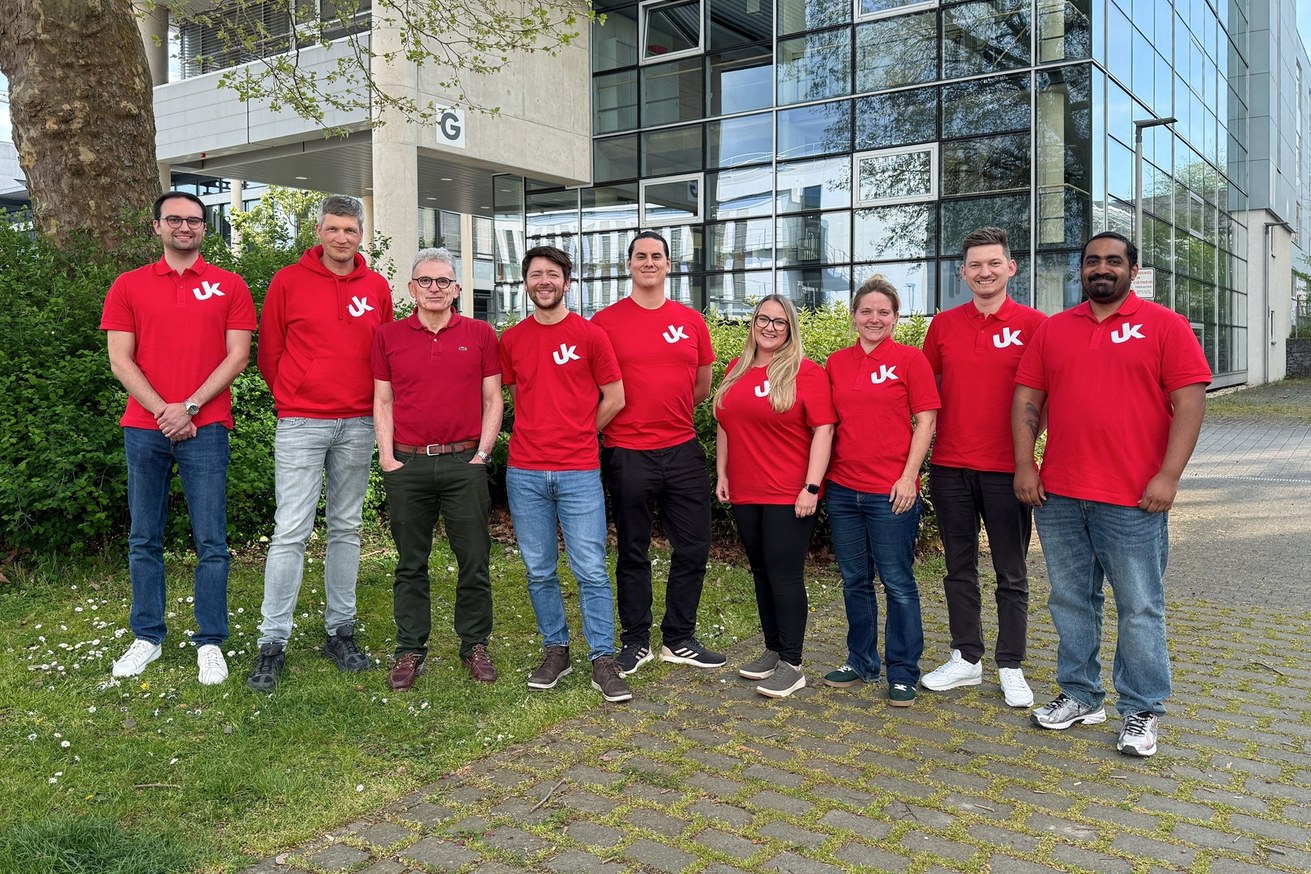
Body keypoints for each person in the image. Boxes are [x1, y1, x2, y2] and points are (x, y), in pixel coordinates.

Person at [1013, 231, 1210, 757]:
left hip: (1133, 498)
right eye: (1092, 261)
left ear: (1132, 270)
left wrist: (1169, 476)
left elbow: (1190, 403)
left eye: (1113, 261)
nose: (1102, 268)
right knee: (1070, 600)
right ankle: (1080, 695)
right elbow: (1028, 398)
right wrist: (1025, 465)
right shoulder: (1054, 329)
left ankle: (1141, 708)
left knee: (1139, 605)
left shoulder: (1165, 326)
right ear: (1081, 269)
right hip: (1060, 496)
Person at [101, 191, 256, 686]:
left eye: (193, 220)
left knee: (211, 541)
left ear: (205, 228)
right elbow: (120, 359)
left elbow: (237, 356)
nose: (184, 227)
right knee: (144, 537)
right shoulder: (129, 285)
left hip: (206, 428)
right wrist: (163, 411)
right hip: (144, 428)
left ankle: (210, 641)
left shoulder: (229, 285)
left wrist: (188, 407)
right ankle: (147, 636)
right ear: (157, 227)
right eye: (174, 219)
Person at [247, 195, 394, 692]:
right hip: (302, 422)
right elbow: (270, 352)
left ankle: (340, 632)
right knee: (291, 529)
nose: (341, 238)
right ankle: (272, 641)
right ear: (319, 232)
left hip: (358, 422)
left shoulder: (376, 287)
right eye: (333, 229)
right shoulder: (288, 282)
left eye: (350, 230)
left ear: (360, 235)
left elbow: (384, 354)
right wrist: (293, 396)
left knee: (347, 528)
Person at [920, 227, 1047, 708]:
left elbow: (1044, 398)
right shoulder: (943, 326)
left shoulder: (1035, 325)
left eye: (994, 263)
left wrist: (1028, 458)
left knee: (1011, 572)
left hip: (1006, 470)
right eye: (975, 265)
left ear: (1011, 268)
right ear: (963, 272)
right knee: (959, 567)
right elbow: (928, 394)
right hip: (950, 466)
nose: (985, 272)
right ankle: (966, 658)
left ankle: (1010, 664)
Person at [499, 245, 632, 703]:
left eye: (552, 274)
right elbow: (512, 393)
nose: (544, 281)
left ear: (567, 282)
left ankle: (603, 659)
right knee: (539, 570)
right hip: (525, 472)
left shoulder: (590, 336)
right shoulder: (512, 340)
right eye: (536, 274)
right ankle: (556, 650)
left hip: (578, 471)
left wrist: (581, 430)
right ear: (526, 283)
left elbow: (615, 397)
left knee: (590, 568)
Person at [371, 248, 503, 690]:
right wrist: (387, 458)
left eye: (443, 281)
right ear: (411, 288)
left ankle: (474, 645)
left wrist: (482, 455)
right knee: (410, 563)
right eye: (425, 281)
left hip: (464, 462)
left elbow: (493, 399)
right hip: (407, 463)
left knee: (474, 560)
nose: (434, 288)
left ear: (457, 289)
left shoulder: (480, 334)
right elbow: (383, 400)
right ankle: (410, 648)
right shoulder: (388, 336)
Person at [592, 231, 724, 674]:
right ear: (629, 264)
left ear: (669, 265)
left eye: (657, 256)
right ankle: (635, 641)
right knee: (633, 550)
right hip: (627, 452)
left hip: (682, 449)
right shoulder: (604, 323)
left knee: (694, 547)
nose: (649, 262)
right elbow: (594, 387)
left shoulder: (690, 321)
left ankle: (679, 638)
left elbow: (701, 386)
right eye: (640, 256)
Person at [822, 276, 939, 706]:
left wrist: (909, 477)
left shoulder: (910, 360)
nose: (875, 319)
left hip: (891, 493)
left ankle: (903, 672)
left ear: (895, 317)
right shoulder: (836, 362)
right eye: (867, 311)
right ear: (854, 315)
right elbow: (826, 425)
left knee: (898, 583)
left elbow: (926, 421)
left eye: (883, 312)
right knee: (855, 581)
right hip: (842, 490)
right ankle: (861, 661)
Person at [714, 295, 835, 698]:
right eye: (763, 319)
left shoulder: (806, 372)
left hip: (789, 491)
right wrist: (722, 473)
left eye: (779, 322)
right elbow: (726, 423)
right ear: (753, 323)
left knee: (784, 576)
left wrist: (812, 486)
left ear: (790, 329)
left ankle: (793, 665)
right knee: (761, 572)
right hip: (746, 490)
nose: (769, 327)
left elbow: (824, 429)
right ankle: (773, 649)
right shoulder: (736, 368)